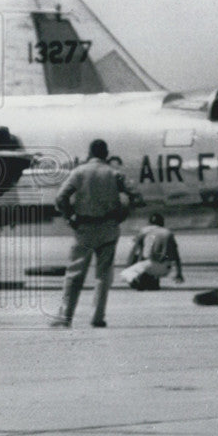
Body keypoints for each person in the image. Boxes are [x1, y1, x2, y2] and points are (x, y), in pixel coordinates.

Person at [52, 139, 138, 328]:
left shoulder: (79, 173)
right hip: (108, 228)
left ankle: (65, 317)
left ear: (90, 153)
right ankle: (97, 317)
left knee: (74, 274)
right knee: (103, 275)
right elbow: (135, 195)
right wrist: (122, 213)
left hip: (84, 229)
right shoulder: (115, 174)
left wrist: (70, 217)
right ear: (106, 154)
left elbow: (60, 197)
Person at [120, 213, 184, 290]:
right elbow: (176, 255)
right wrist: (179, 274)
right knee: (152, 259)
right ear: (162, 223)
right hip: (166, 269)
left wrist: (129, 269)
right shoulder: (168, 233)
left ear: (149, 223)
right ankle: (153, 280)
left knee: (126, 273)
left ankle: (141, 280)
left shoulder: (144, 231)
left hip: (149, 267)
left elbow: (134, 252)